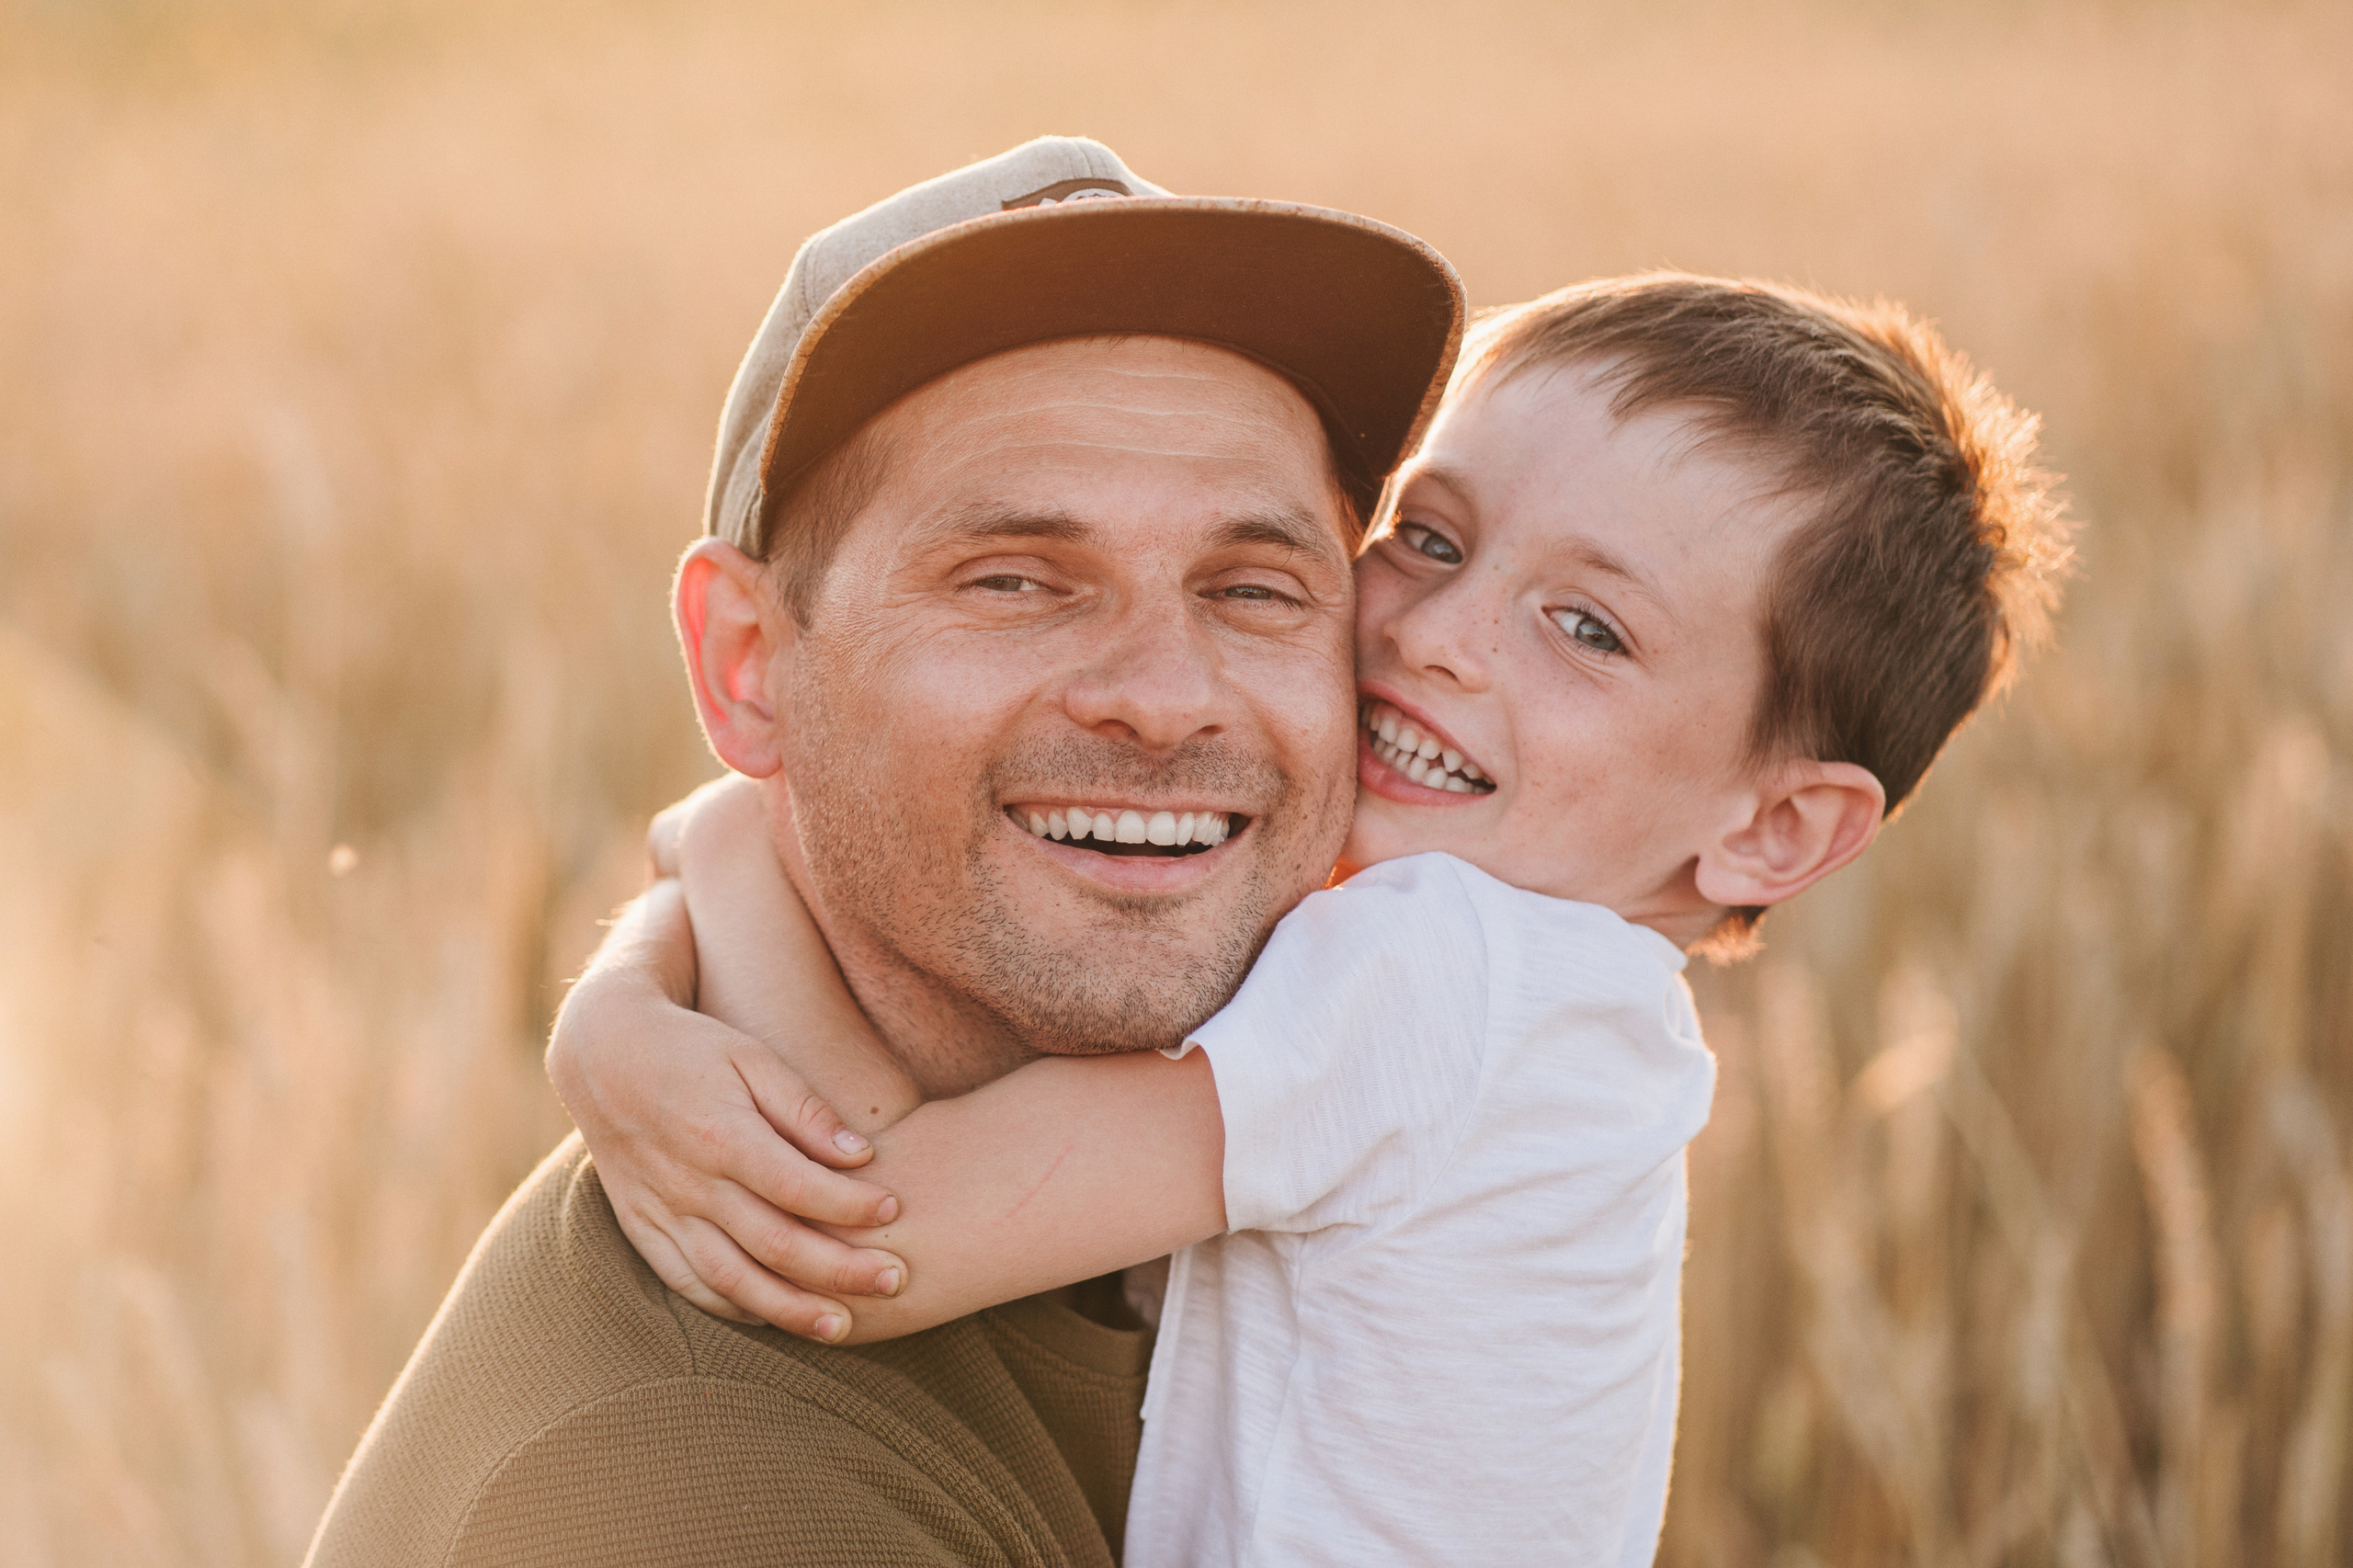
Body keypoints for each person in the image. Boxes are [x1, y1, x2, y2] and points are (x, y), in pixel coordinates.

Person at [552, 274, 2072, 1565]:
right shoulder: (1572, 1018)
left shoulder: (1442, 980)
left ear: (1774, 828)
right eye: (1430, 534)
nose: (1437, 636)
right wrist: (629, 978)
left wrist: (725, 861)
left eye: (1589, 628)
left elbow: (862, 1232)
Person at [301, 136, 1462, 1568]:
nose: (1166, 695)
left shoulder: (1357, 1133)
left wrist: (648, 946)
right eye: (1016, 581)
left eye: (1256, 587)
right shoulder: (710, 1485)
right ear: (746, 665)